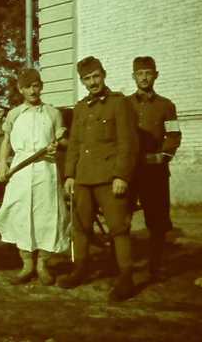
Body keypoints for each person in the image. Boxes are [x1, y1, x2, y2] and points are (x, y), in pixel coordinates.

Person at [58, 57, 138, 302]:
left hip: (108, 177)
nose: (93, 82)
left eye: (96, 76)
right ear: (82, 81)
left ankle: (126, 278)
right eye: (87, 79)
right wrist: (70, 174)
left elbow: (128, 143)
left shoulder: (119, 103)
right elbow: (75, 144)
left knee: (118, 228)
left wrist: (121, 175)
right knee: (80, 227)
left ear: (103, 75)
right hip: (83, 178)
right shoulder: (81, 107)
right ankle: (80, 269)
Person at [0, 68, 70, 285]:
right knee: (20, 214)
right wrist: (2, 164)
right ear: (21, 89)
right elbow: (6, 142)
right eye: (27, 87)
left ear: (41, 87)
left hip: (46, 169)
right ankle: (27, 265)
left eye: (36, 86)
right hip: (21, 170)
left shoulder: (53, 113)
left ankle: (42, 265)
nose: (32, 91)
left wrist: (58, 145)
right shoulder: (14, 114)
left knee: (47, 215)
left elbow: (63, 141)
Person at [127, 56, 181, 281]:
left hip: (154, 171)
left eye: (148, 73)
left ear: (155, 75)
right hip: (129, 170)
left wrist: (163, 156)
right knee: (122, 217)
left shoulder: (166, 106)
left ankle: (155, 266)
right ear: (134, 77)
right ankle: (120, 265)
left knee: (156, 221)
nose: (144, 78)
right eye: (140, 73)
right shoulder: (124, 104)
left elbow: (174, 135)